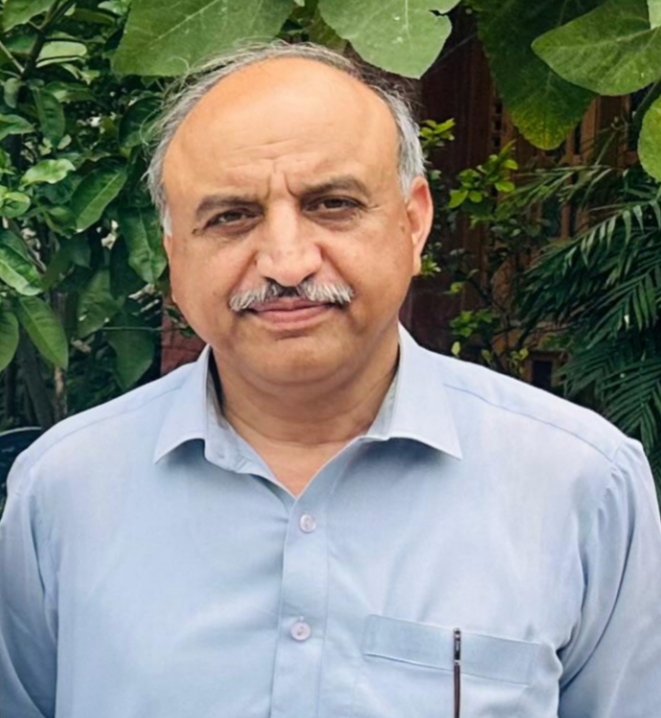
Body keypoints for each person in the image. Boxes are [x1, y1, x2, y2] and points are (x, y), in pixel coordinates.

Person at [1, 42, 660, 718]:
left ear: (413, 222)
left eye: (332, 204)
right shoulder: (65, 489)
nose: (286, 262)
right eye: (231, 216)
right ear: (175, 255)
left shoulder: (579, 485)